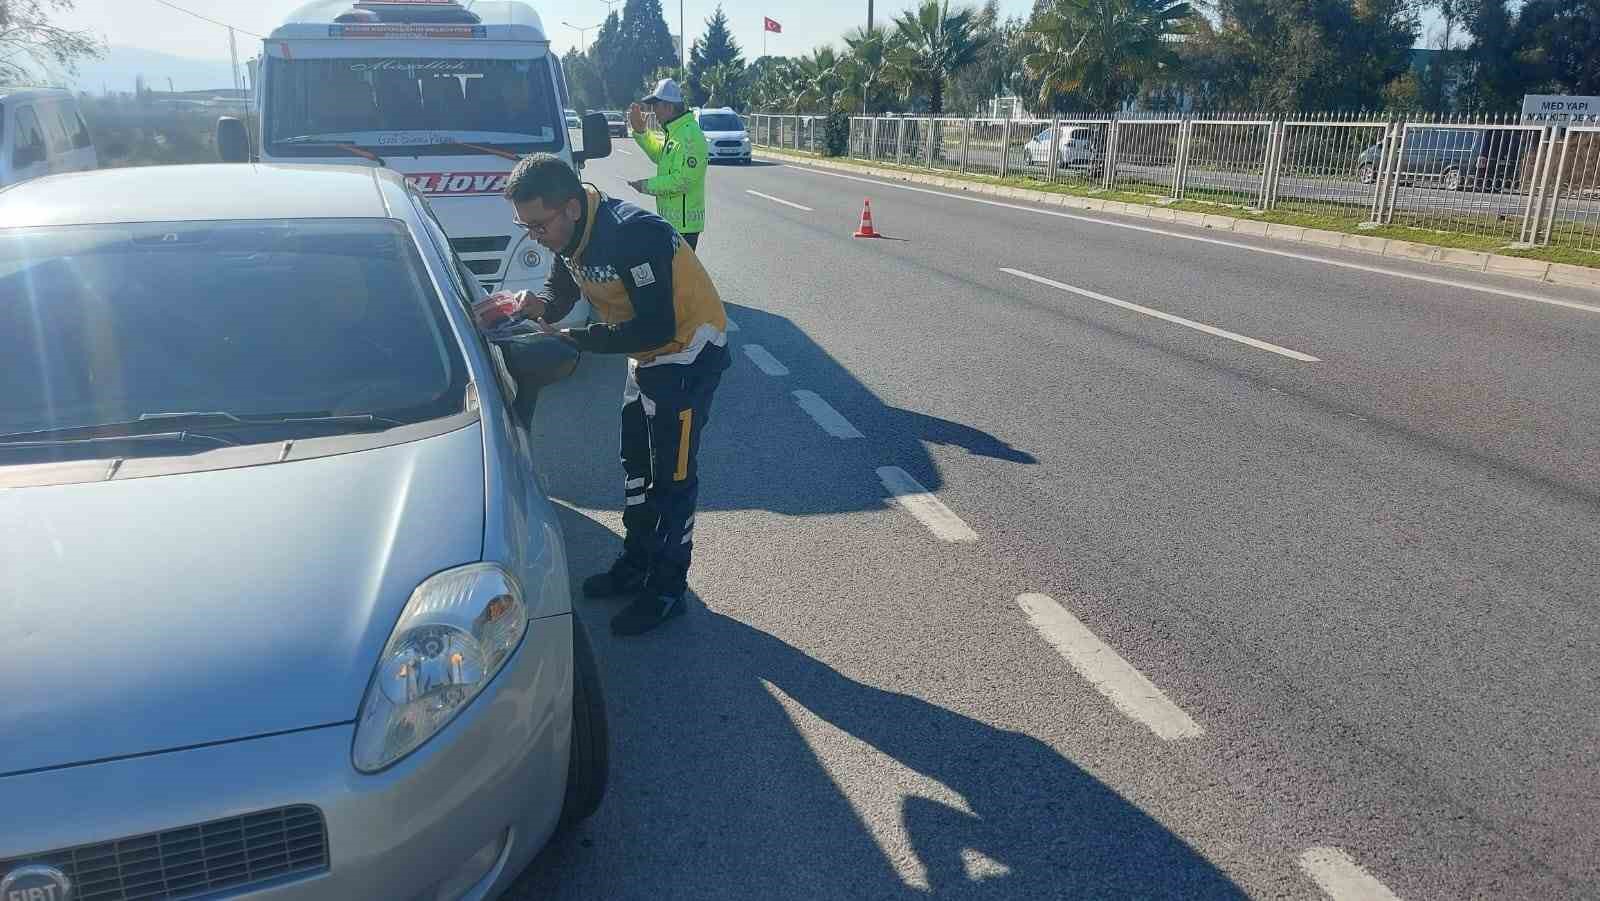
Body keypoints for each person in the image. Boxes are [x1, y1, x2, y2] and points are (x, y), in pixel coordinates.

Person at [478, 153, 730, 636]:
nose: (533, 235)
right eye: (524, 225)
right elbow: (562, 294)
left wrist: (575, 339)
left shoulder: (633, 234)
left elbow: (656, 326)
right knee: (635, 464)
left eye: (537, 224)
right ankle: (636, 563)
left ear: (571, 207)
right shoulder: (569, 235)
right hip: (647, 354)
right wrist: (536, 306)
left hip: (686, 354)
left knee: (672, 479)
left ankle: (667, 588)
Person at [625, 78, 708, 250]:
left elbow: (682, 180)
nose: (653, 111)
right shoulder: (675, 132)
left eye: (656, 106)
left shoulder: (690, 136)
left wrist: (646, 186)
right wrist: (641, 133)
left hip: (684, 228)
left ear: (669, 107)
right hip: (672, 224)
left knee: (678, 276)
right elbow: (660, 155)